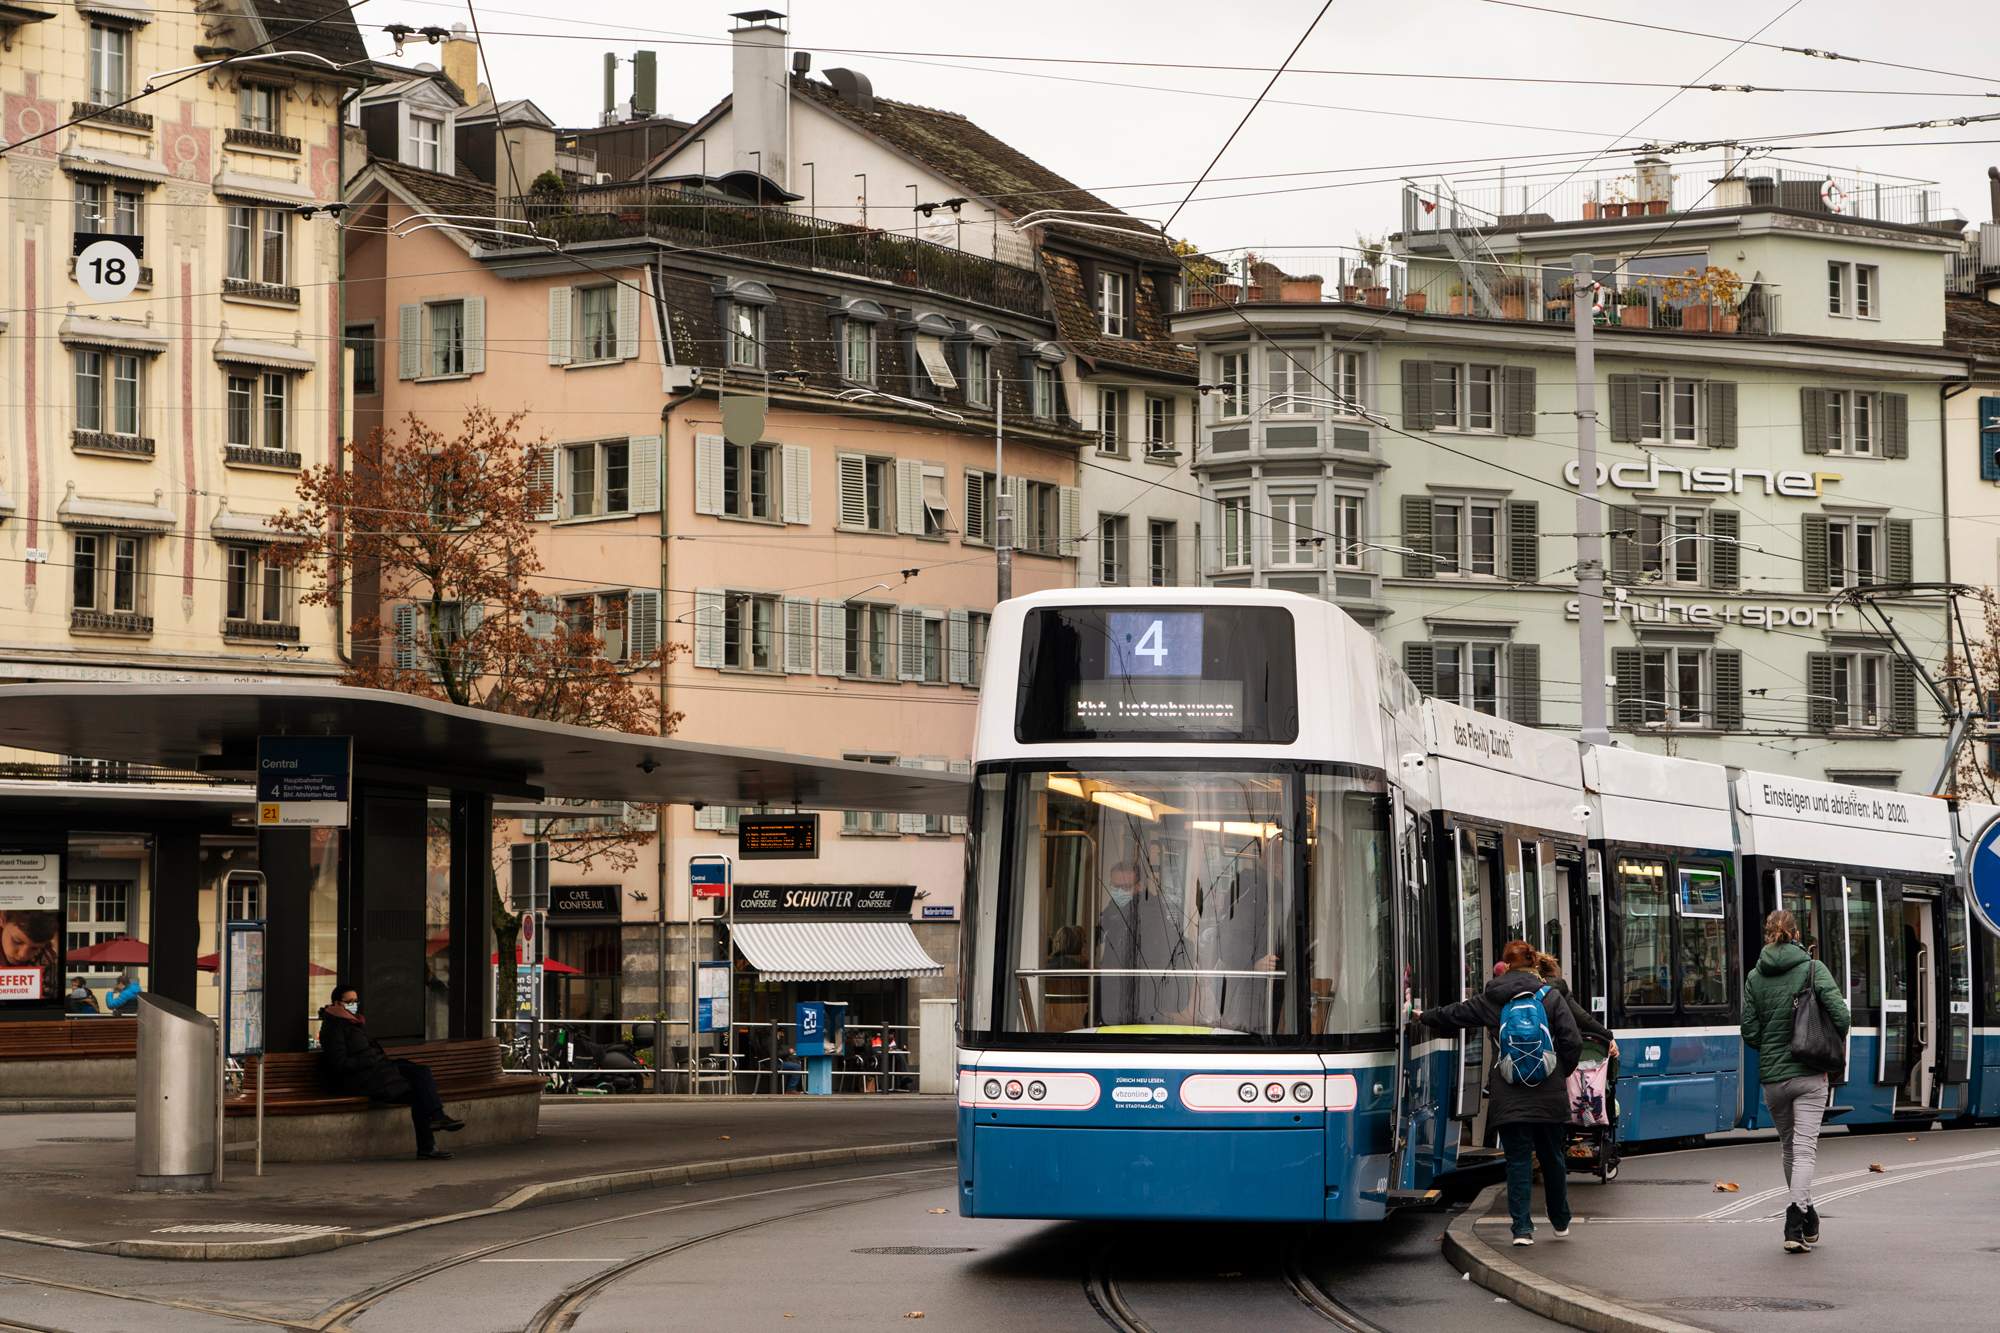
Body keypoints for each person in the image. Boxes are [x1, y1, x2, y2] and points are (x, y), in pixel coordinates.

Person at [1419, 938, 1583, 1247]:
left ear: (1505, 965)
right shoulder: (1550, 996)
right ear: (1534, 962)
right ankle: (1560, 1221)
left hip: (1509, 1093)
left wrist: (1422, 1016)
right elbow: (1572, 1041)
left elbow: (1455, 1014)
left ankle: (1522, 1230)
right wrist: (1559, 1073)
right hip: (1550, 1095)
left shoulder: (1491, 998)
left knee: (1518, 1161)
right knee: (1553, 1159)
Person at [1740, 909, 1850, 1254]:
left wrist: (1773, 1047)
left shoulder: (1754, 977)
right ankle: (1795, 1217)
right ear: (1797, 935)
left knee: (1789, 1148)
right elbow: (1842, 1016)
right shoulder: (1813, 969)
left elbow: (1750, 1031)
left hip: (1774, 1079)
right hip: (1809, 1074)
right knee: (1804, 1150)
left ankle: (1807, 1215)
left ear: (1768, 935)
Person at [317, 983, 465, 1160]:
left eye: (356, 1001)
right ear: (336, 1003)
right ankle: (429, 1142)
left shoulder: (353, 1022)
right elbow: (339, 1064)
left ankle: (437, 1118)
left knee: (422, 1072)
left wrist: (374, 1058)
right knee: (419, 1091)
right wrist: (370, 1059)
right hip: (361, 1079)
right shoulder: (333, 1027)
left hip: (378, 1070)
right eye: (349, 1001)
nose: (353, 1004)